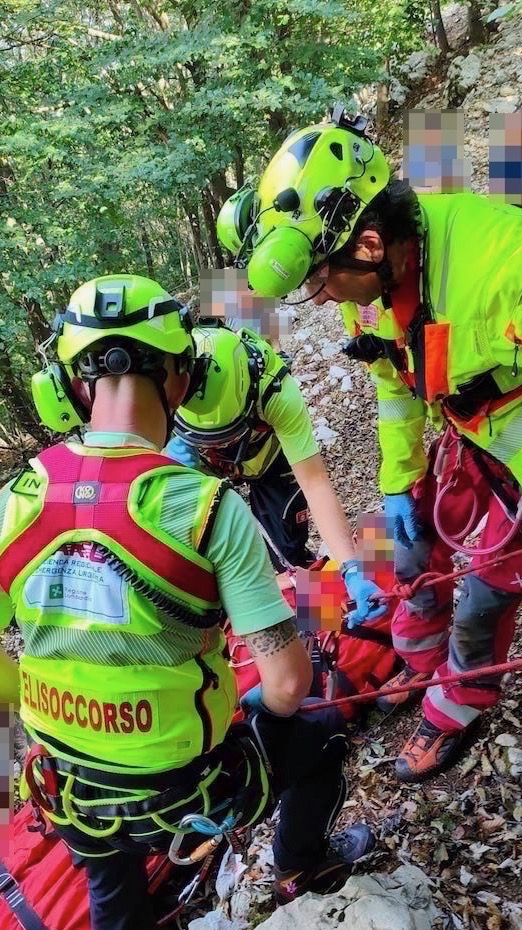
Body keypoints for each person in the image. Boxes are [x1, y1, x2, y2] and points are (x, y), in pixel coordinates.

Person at [227, 105, 522, 783]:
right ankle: (421, 666)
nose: (324, 298)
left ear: (365, 244)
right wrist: (397, 483)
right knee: (411, 557)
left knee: (484, 595)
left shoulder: (508, 274)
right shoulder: (380, 277)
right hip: (471, 440)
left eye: (322, 281)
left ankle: (457, 702)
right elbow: (393, 383)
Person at [0, 273, 373, 930]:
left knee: (110, 887)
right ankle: (299, 866)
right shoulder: (205, 510)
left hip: (72, 789)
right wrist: (255, 705)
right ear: (179, 378)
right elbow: (286, 685)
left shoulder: (14, 501)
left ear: (71, 387)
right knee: (319, 736)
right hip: (186, 788)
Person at [165, 318, 387, 627]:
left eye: (229, 434)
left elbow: (314, 482)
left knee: (287, 547)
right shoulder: (170, 388)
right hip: (202, 463)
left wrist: (352, 568)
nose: (226, 441)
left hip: (271, 460)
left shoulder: (276, 391)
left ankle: (322, 628)